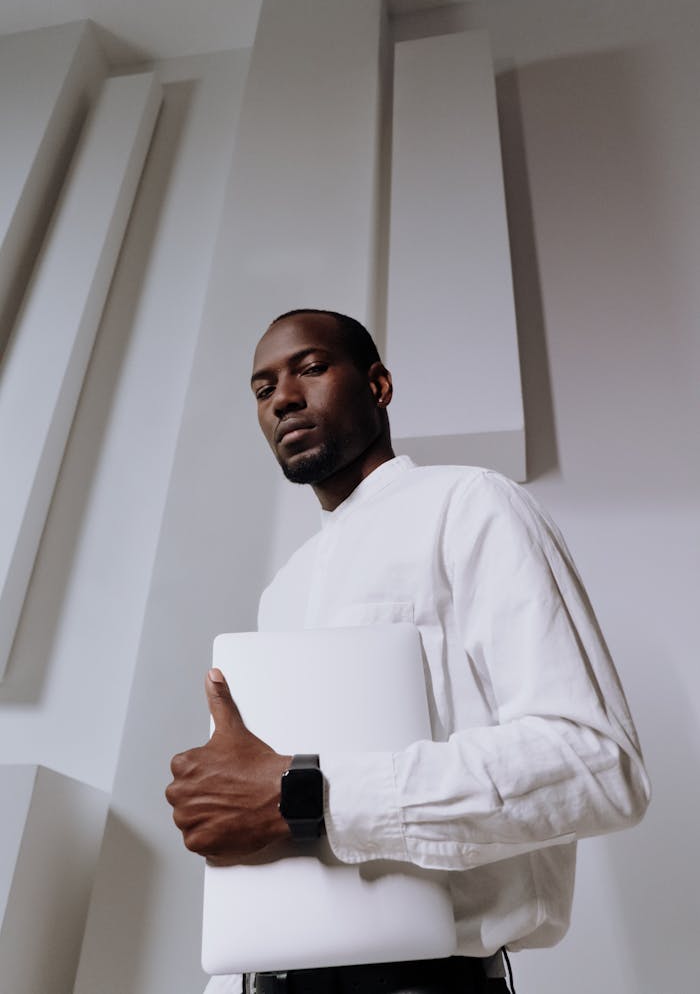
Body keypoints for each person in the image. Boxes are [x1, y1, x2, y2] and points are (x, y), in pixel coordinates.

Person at [166, 309, 650, 994]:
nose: (283, 398)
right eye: (261, 387)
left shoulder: (470, 504)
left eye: (309, 367)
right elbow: (274, 823)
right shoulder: (283, 590)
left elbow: (597, 765)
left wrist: (310, 795)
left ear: (378, 385)